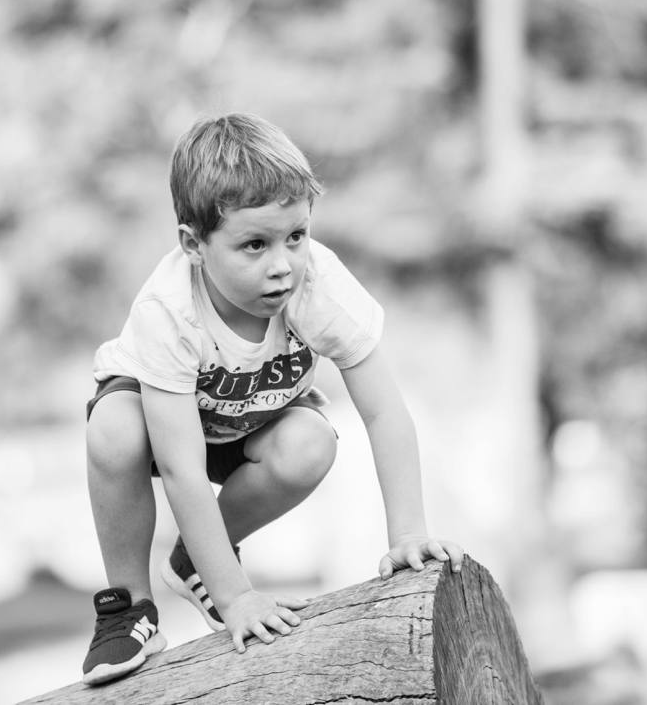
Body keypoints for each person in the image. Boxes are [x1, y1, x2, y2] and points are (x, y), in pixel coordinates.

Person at [80, 112, 461, 685]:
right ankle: (130, 609)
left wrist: (407, 533)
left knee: (312, 443)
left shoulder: (317, 286)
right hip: (164, 428)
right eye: (253, 245)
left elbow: (384, 411)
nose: (282, 265)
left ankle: (200, 557)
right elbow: (182, 469)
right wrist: (237, 600)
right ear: (194, 244)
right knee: (112, 428)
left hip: (248, 426)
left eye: (296, 237)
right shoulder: (168, 313)